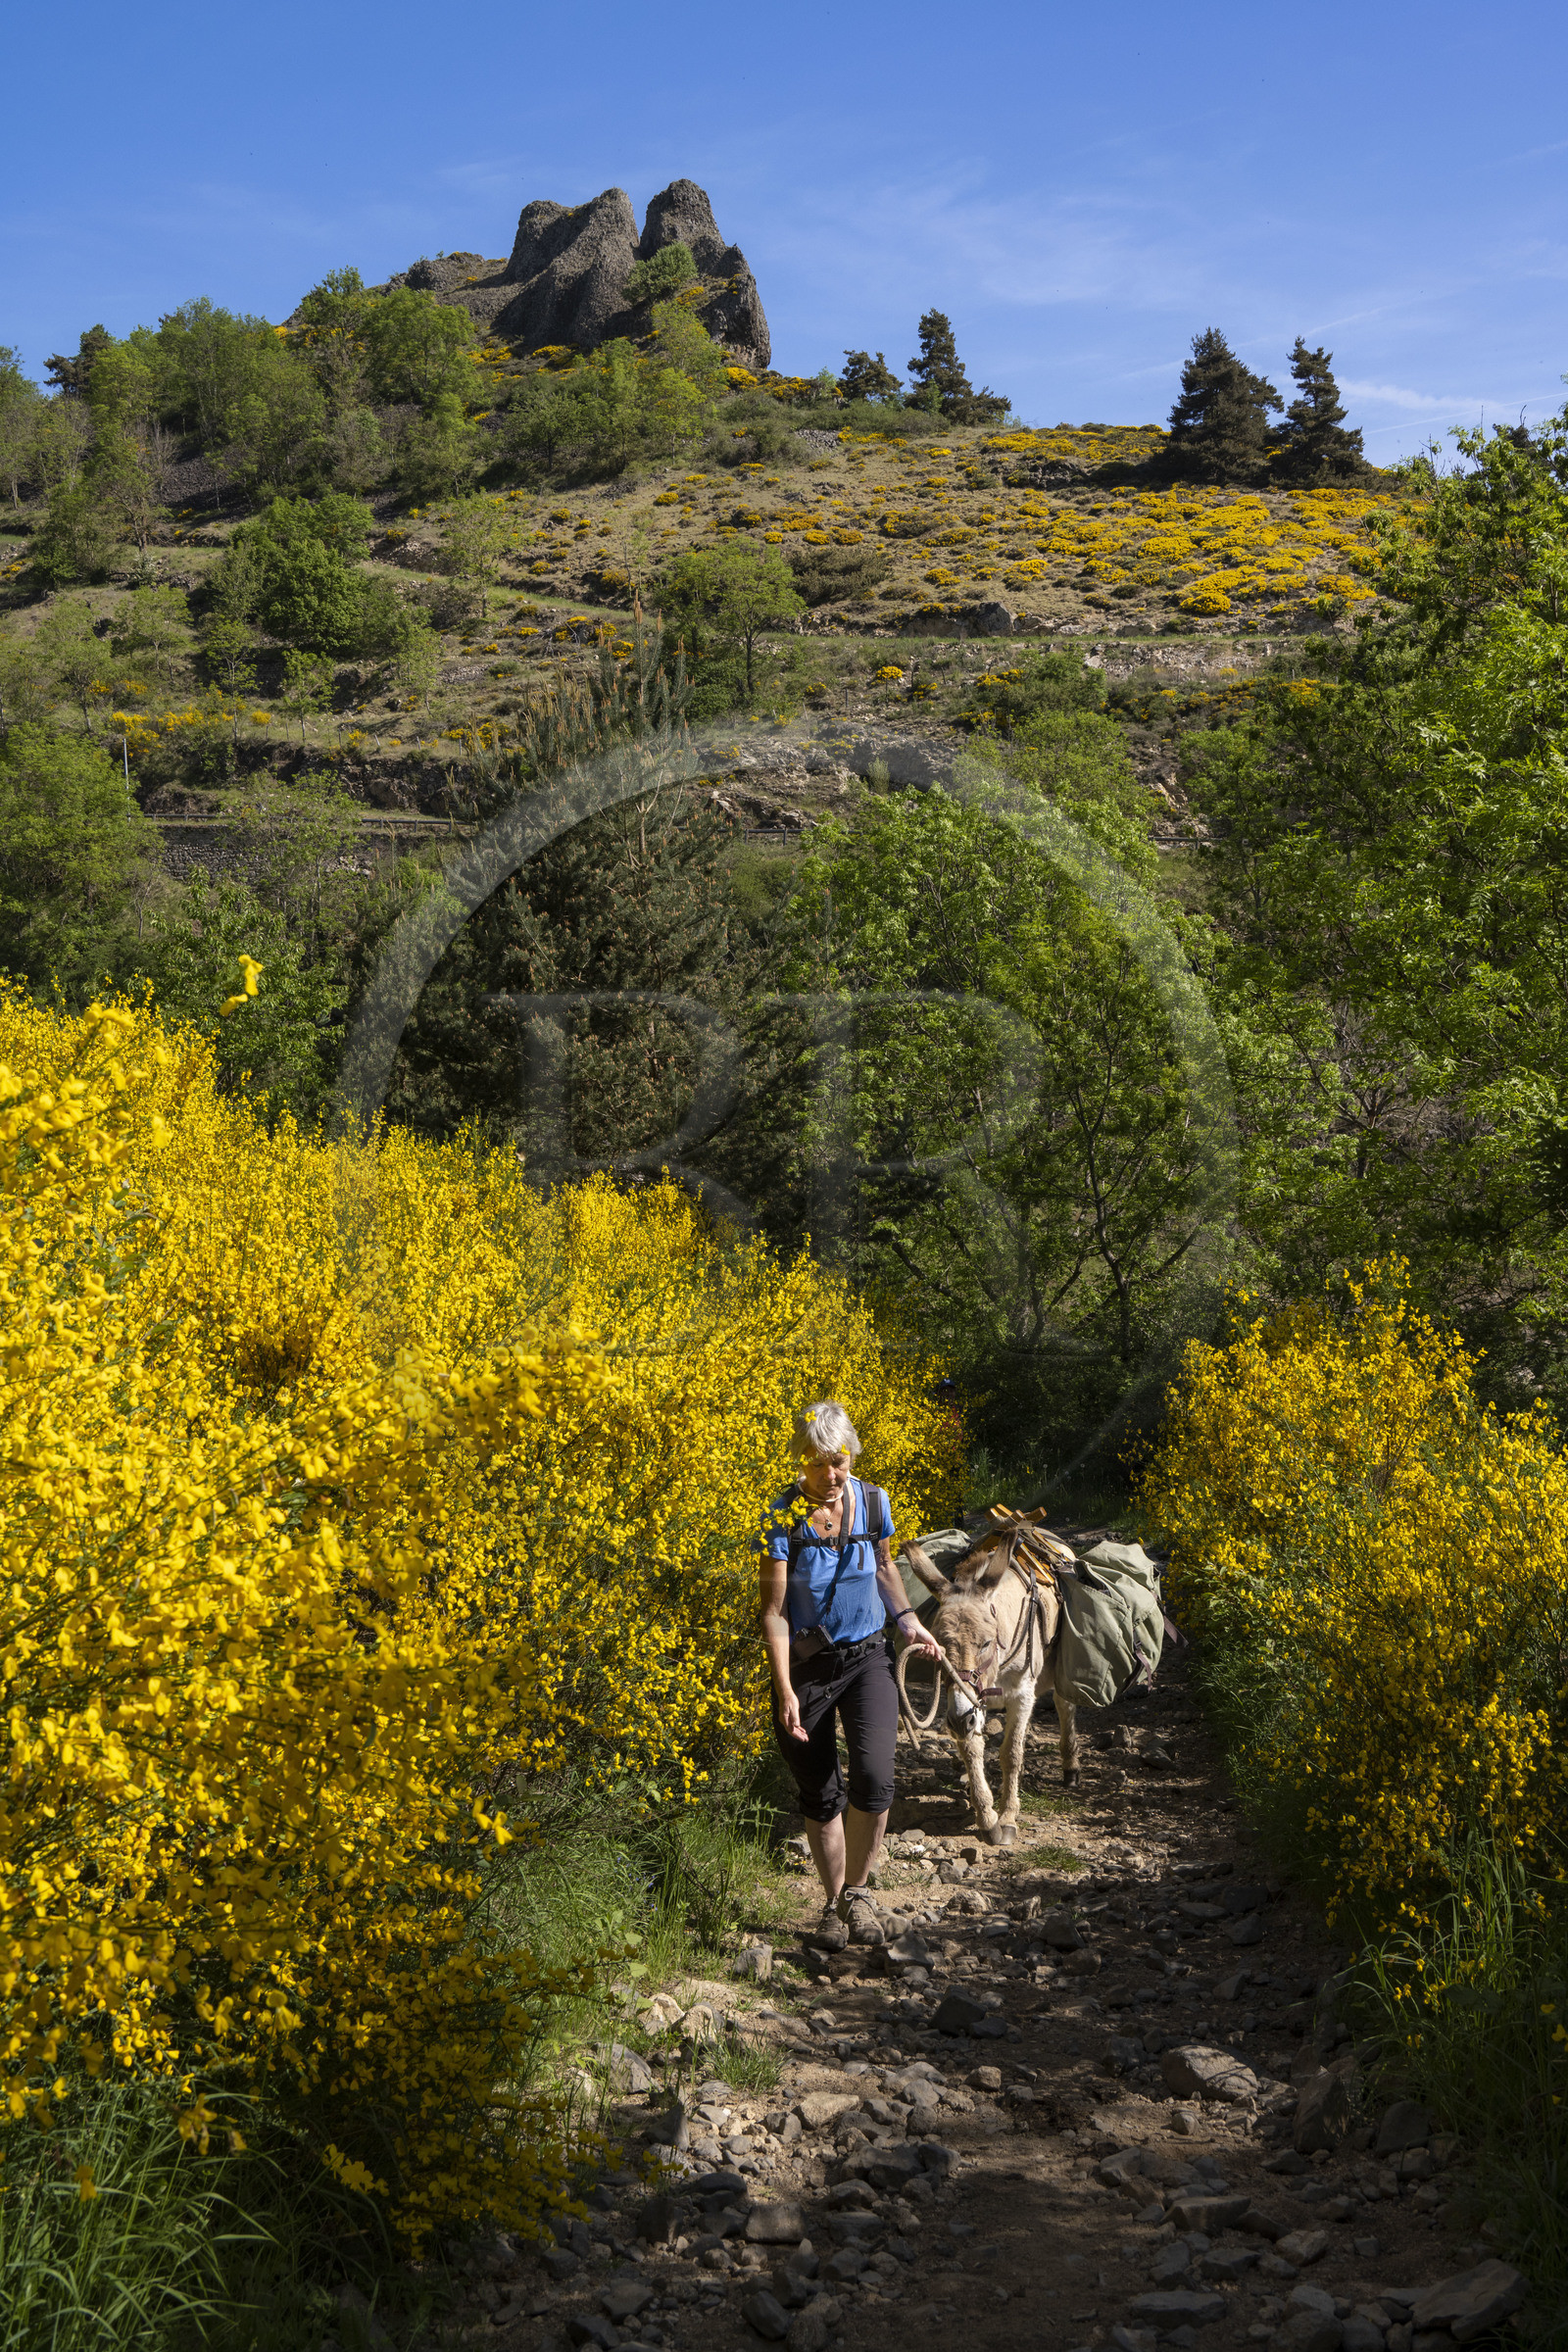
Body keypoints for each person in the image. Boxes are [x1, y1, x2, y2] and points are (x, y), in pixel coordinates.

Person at [758, 1399, 941, 1948]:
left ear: (850, 1457)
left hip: (866, 1659)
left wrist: (909, 1622)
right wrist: (785, 1687)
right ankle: (835, 1904)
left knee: (875, 1776)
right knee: (821, 1792)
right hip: (807, 1667)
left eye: (838, 1461)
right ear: (800, 1462)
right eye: (817, 1463)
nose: (830, 1475)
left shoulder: (874, 1501)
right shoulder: (780, 1517)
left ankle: (857, 1895)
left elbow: (885, 1567)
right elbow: (774, 1611)